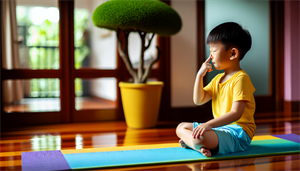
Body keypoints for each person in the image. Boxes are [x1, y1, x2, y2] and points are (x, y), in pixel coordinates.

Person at [176, 22, 256, 157]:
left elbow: (236, 113)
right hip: (221, 129)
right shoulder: (218, 79)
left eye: (213, 50)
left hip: (238, 133)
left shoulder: (241, 79)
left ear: (232, 53)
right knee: (181, 127)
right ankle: (198, 146)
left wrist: (208, 125)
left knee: (199, 137)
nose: (210, 56)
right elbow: (198, 100)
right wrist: (199, 75)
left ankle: (195, 144)